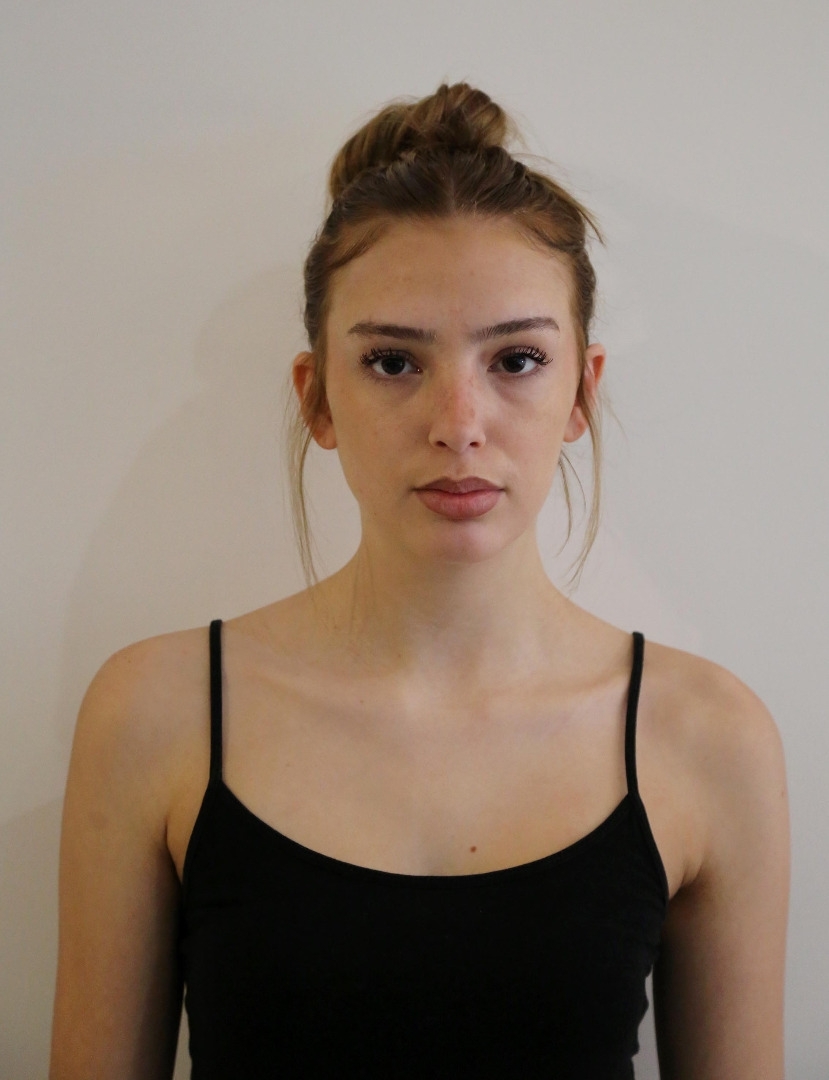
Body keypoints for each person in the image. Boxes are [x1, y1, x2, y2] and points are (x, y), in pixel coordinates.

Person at [50, 83, 789, 1079]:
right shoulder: (156, 714)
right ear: (317, 399)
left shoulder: (706, 739)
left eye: (516, 359)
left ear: (582, 392)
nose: (458, 424)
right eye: (394, 363)